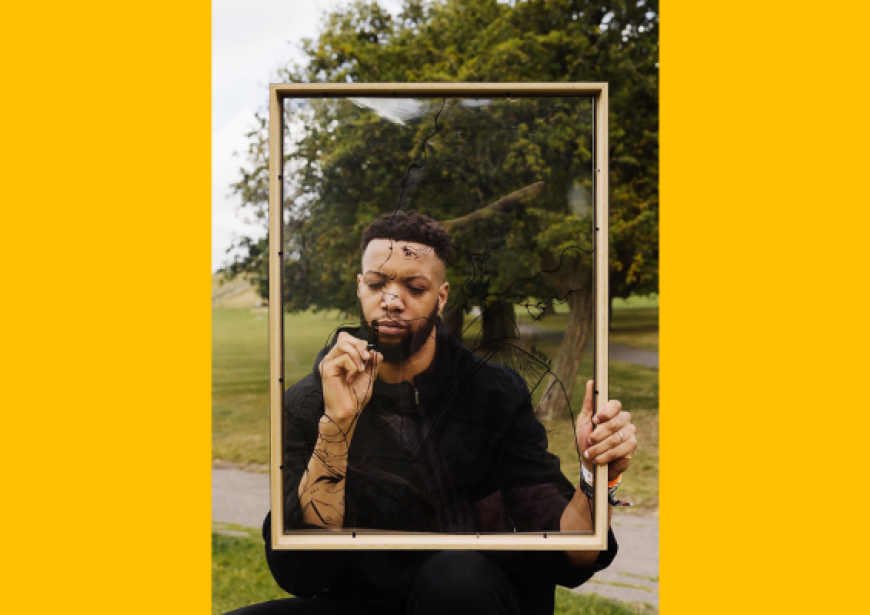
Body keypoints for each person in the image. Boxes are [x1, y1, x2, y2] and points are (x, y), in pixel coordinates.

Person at [228, 210, 638, 615]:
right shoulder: (310, 399)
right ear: (359, 288)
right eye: (377, 284)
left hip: (471, 598)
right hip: (363, 602)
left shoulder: (493, 393)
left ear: (441, 297)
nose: (392, 301)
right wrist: (336, 425)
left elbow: (570, 552)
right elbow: (301, 570)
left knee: (455, 577)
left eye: (415, 287)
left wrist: (594, 475)